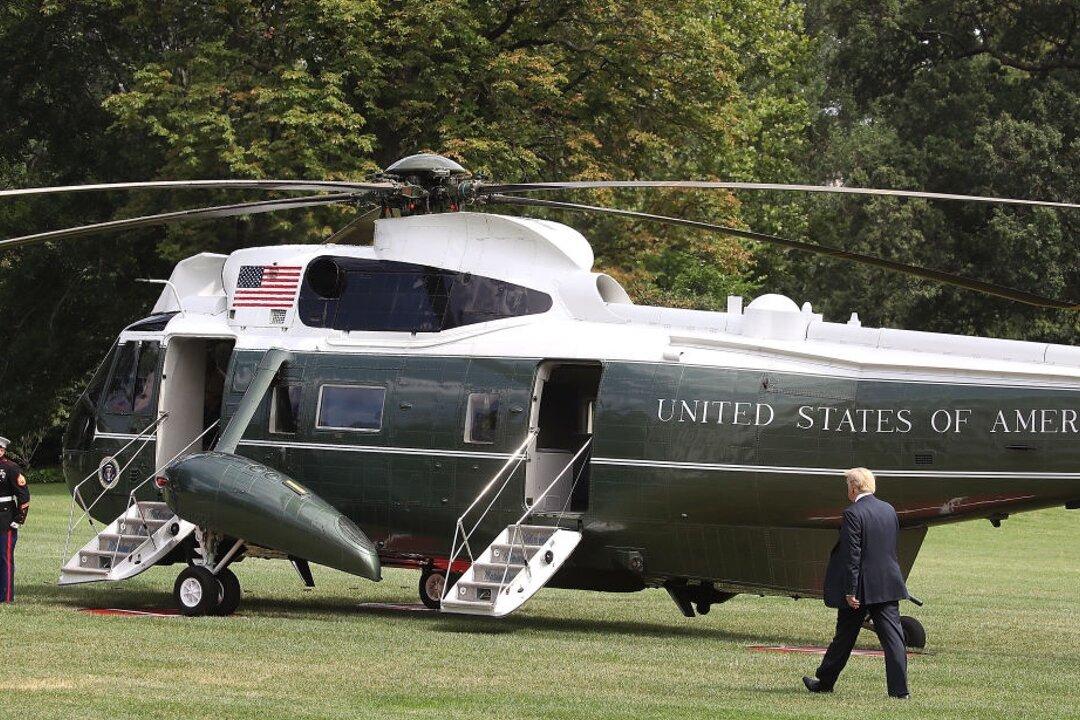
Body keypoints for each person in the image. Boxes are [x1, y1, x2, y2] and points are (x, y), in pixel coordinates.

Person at [803, 467, 910, 699]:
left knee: (844, 636)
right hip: (888, 583)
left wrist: (850, 591)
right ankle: (900, 692)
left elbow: (853, 554)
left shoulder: (853, 513)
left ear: (853, 486)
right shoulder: (888, 509)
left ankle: (825, 682)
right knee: (893, 640)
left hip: (860, 587)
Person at [0, 436, 30, 603]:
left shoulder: (11, 468)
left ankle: (6, 596)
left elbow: (24, 495)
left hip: (5, 518)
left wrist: (19, 518)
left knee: (5, 558)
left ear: (3, 450)